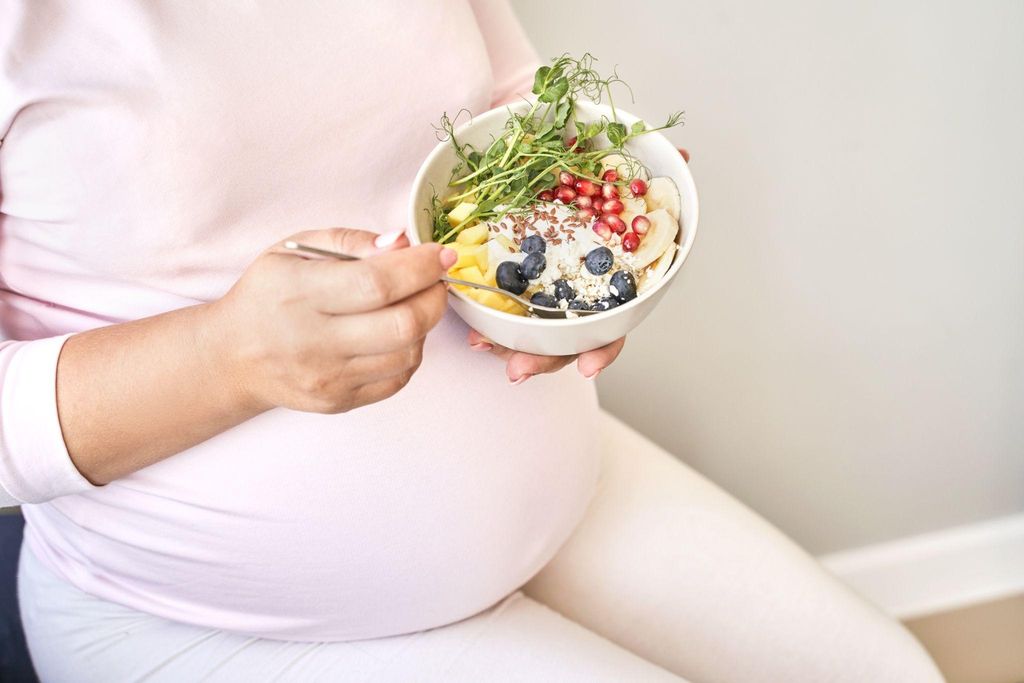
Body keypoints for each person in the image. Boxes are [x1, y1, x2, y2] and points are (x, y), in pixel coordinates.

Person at [0, 2, 943, 681]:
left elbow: (495, 96)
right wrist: (225, 356)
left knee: (893, 671)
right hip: (222, 620)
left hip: (559, 487)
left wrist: (592, 187)